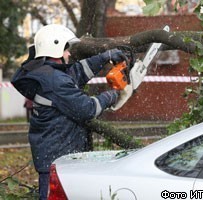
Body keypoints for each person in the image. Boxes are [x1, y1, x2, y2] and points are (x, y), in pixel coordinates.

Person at [11, 24, 128, 200]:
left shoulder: (48, 72)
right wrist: (112, 95)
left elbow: (78, 71)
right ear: (56, 47)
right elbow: (87, 109)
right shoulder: (54, 81)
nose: (69, 54)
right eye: (66, 50)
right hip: (57, 158)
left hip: (57, 154)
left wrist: (106, 56)